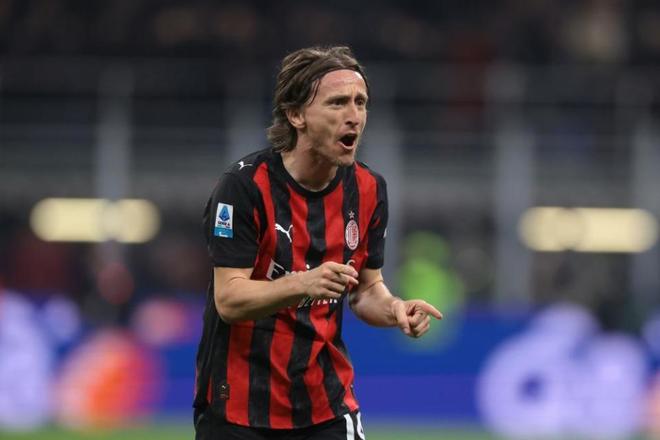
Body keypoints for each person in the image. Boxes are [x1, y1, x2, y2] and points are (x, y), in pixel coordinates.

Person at [193, 46, 443, 440]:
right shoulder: (243, 187)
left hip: (326, 404)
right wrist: (302, 283)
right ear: (296, 115)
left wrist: (395, 308)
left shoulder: (369, 189)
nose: (354, 116)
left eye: (360, 102)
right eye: (337, 103)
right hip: (237, 407)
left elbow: (366, 290)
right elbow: (229, 300)